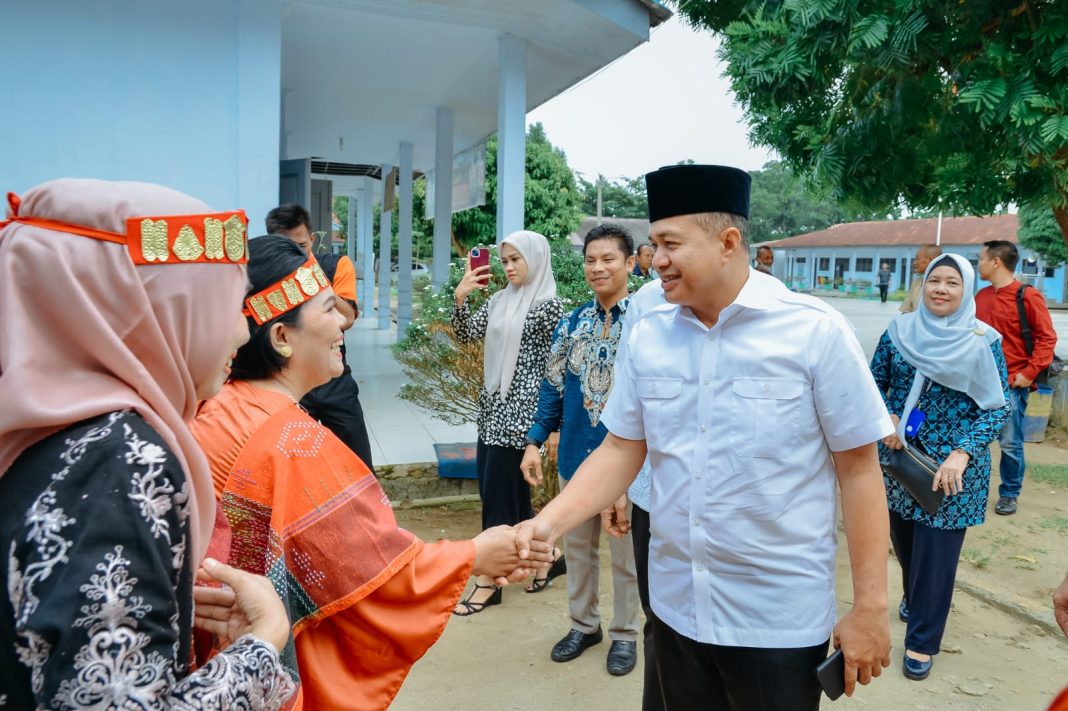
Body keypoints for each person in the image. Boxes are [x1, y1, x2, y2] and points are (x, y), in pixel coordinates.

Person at [516, 164, 896, 710]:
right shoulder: (650, 335)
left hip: (774, 623)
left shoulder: (813, 331)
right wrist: (546, 524)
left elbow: (860, 471)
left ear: (728, 242)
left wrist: (871, 608)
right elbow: (622, 449)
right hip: (675, 610)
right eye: (653, 244)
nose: (656, 260)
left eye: (670, 243)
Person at [192, 234, 550, 709]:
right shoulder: (295, 443)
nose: (344, 321)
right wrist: (475, 554)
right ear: (281, 338)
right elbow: (376, 572)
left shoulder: (215, 405)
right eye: (327, 309)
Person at [0, 179, 295, 708]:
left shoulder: (37, 427)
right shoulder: (122, 459)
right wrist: (262, 643)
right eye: (226, 306)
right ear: (151, 311)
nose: (242, 333)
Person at [870, 253, 1009, 681]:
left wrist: (962, 451)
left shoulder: (983, 341)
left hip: (952, 471)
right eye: (935, 281)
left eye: (952, 283)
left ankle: (921, 642)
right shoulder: (899, 332)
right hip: (900, 458)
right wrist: (887, 416)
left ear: (966, 290)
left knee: (936, 558)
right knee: (906, 543)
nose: (941, 289)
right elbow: (873, 382)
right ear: (924, 285)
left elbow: (997, 408)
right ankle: (915, 596)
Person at [522, 223, 641, 677]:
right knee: (578, 550)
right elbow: (552, 387)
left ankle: (626, 633)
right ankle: (583, 625)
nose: (597, 268)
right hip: (574, 455)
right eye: (590, 260)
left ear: (630, 263)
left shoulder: (649, 323)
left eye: (608, 259)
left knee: (626, 556)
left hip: (630, 466)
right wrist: (535, 440)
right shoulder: (572, 323)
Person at [451, 231, 565, 614]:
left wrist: (553, 429)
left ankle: (488, 581)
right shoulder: (500, 300)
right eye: (505, 261)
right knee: (511, 498)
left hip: (524, 418)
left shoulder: (550, 307)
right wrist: (461, 297)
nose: (510, 267)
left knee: (498, 497)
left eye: (517, 259)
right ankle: (550, 557)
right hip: (493, 411)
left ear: (536, 258)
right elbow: (468, 335)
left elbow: (559, 370)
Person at [264, 204, 374, 470]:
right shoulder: (266, 276)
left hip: (335, 380)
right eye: (284, 246)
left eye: (300, 246)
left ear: (312, 239)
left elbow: (346, 318)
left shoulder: (335, 266)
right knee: (300, 469)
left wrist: (311, 279)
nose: (294, 254)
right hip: (290, 385)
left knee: (358, 466)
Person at [975, 240, 1058, 516]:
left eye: (981, 258)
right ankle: (967, 486)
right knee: (971, 438)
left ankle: (1009, 494)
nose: (979, 264)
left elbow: (1047, 338)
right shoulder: (981, 297)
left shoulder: (1027, 296)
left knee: (1010, 442)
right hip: (978, 384)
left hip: (1011, 383)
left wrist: (1029, 373)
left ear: (996, 261)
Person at [900, 244, 942, 313]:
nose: (914, 263)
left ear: (930, 260)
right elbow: (906, 311)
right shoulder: (917, 283)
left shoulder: (944, 286)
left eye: (917, 259)